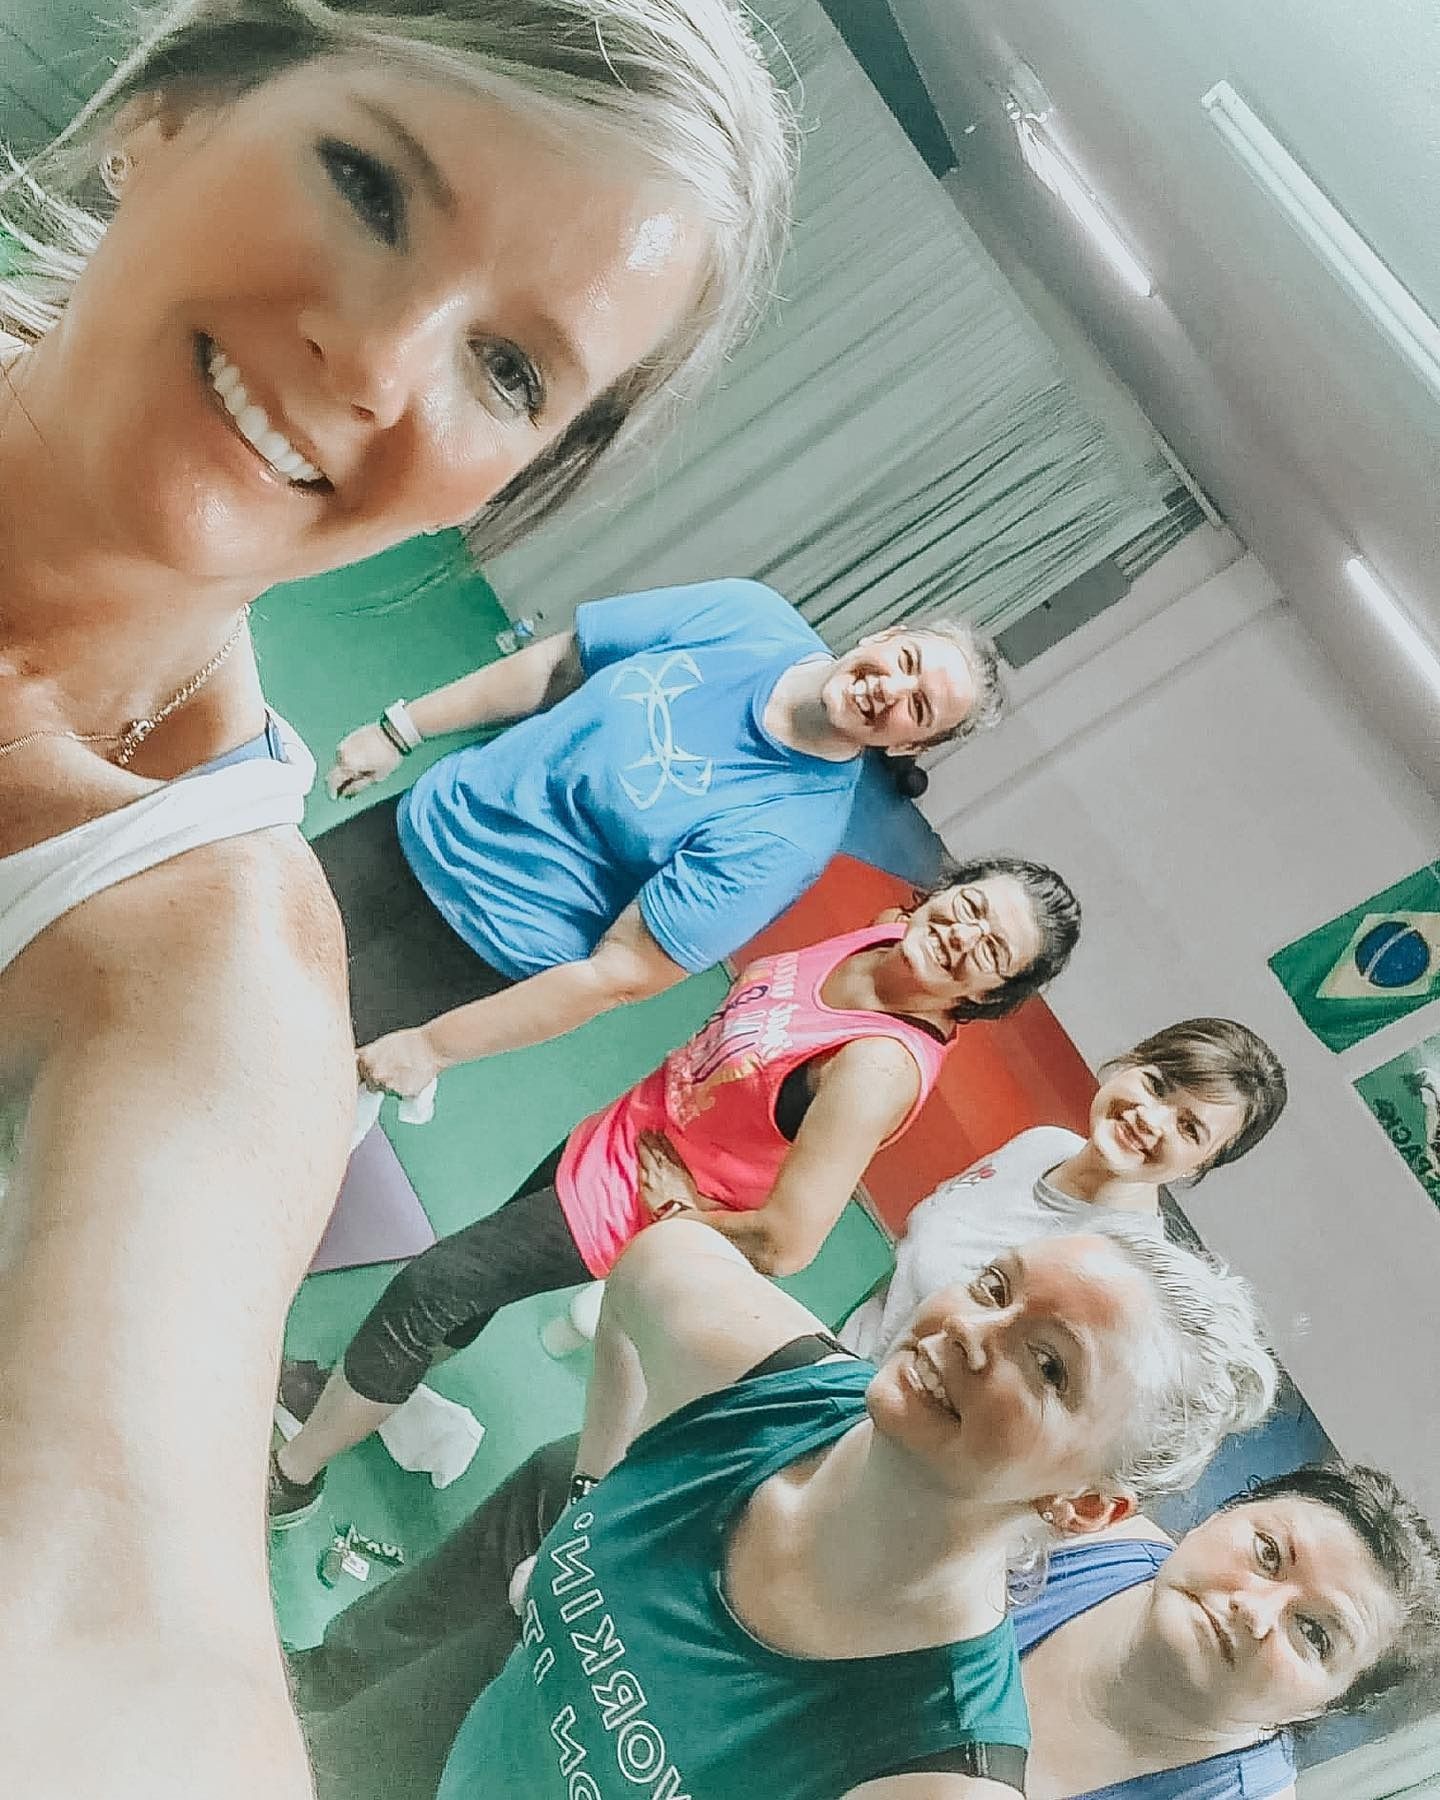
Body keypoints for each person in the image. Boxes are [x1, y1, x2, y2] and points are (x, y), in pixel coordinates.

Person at [0, 2, 794, 1795]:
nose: (378, 365)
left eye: (508, 371)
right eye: (370, 187)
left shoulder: (198, 957)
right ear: (172, 111)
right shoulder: (696, 652)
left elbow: (128, 1617)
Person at [291, 1215, 1278, 1799]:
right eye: (994, 1287)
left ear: (1086, 1505)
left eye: (1049, 1364)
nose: (975, 1333)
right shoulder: (766, 1379)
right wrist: (592, 1487)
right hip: (450, 1725)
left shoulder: (931, 1765)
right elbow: (653, 1263)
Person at [270, 855, 1082, 1523]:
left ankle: (295, 1476)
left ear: (987, 996)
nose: (964, 936)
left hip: (634, 1203)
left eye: (993, 951)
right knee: (466, 1289)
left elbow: (789, 1242)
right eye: (972, 907)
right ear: (944, 891)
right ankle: (351, 1390)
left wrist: (677, 1213)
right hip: (624, 1132)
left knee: (433, 1287)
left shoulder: (877, 1066)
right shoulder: (882, 939)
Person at [319, 586, 1004, 1101]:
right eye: (906, 661)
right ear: (885, 635)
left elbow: (619, 976)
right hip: (420, 824)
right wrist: (402, 729)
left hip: (480, 942)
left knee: (287, 1053)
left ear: (907, 746)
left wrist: (433, 1046)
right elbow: (563, 662)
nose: (891, 688)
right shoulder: (745, 616)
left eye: (918, 707)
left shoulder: (788, 837)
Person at [842, 1017, 1288, 1359]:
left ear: (1200, 1165)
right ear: (1130, 1063)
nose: (1150, 1120)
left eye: (1189, 1128)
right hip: (833, 1355)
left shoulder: (1119, 1270)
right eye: (1156, 1086)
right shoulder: (1043, 1144)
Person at [1012, 1460, 1440, 1799]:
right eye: (1267, 1553)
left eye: (1313, 1633)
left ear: (1322, 1707)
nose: (1254, 1611)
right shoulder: (1078, 1529)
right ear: (1218, 1515)